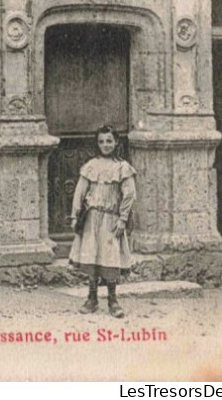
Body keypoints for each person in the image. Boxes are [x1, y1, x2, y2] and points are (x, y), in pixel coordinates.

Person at [68, 124, 136, 318]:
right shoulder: (91, 166)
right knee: (92, 255)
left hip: (111, 218)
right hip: (91, 218)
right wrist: (75, 215)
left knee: (110, 256)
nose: (105, 145)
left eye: (109, 141)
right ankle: (92, 298)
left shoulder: (122, 168)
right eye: (101, 141)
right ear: (97, 144)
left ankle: (113, 300)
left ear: (116, 142)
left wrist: (123, 219)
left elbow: (129, 195)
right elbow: (79, 192)